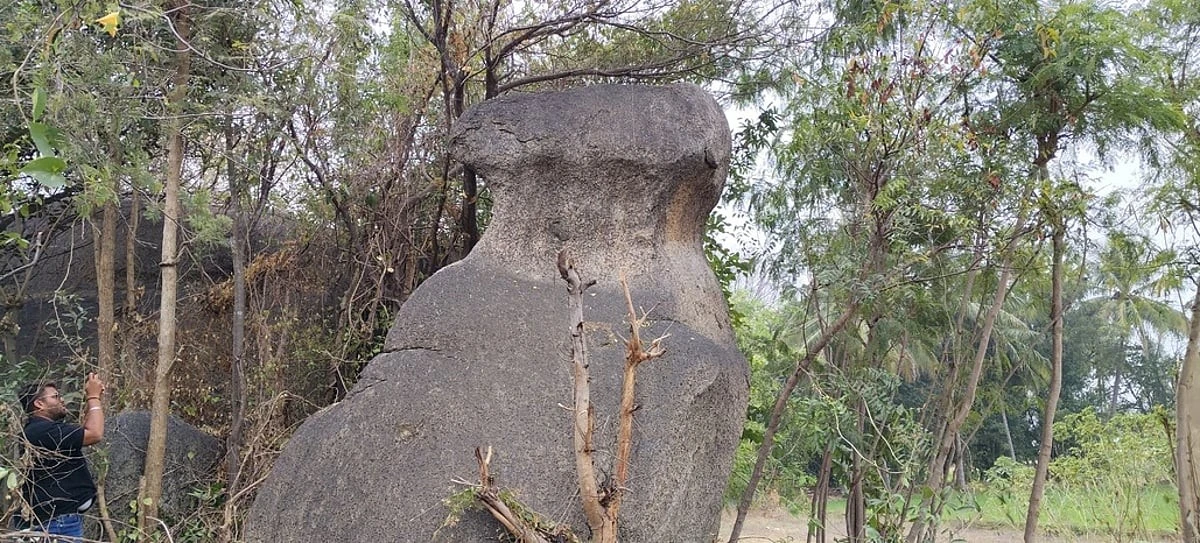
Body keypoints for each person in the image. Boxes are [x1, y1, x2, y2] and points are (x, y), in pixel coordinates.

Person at [12, 373, 106, 541]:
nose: (61, 400)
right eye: (55, 397)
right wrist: (93, 397)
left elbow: (83, 431)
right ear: (39, 404)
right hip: (57, 523)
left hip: (57, 520)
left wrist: (91, 402)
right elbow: (94, 434)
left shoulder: (43, 431)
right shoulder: (40, 431)